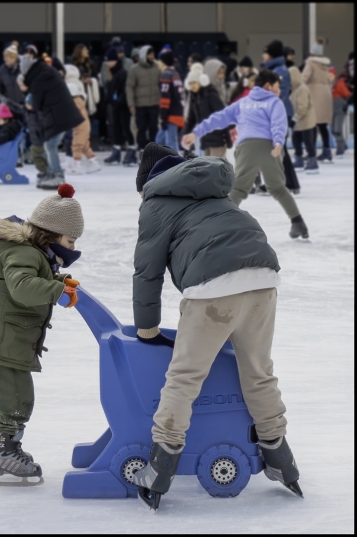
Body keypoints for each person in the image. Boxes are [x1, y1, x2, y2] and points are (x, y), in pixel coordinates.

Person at [130, 143, 302, 511]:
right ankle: (280, 458)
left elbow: (147, 271)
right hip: (263, 278)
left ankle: (160, 468)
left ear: (147, 181)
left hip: (213, 288)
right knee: (258, 372)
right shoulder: (214, 191)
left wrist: (147, 327)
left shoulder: (155, 203)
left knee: (184, 376)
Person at [0, 184, 84, 482]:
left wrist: (57, 278)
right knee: (17, 399)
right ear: (53, 234)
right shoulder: (26, 254)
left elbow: (24, 277)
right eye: (70, 241)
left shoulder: (24, 251)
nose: (71, 249)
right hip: (7, 340)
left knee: (0, 399)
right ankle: (7, 451)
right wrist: (57, 290)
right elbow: (22, 286)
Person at [182, 70, 309, 239]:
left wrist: (196, 133)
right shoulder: (274, 102)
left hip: (247, 147)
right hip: (269, 147)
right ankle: (298, 223)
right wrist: (278, 142)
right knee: (277, 188)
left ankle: (217, 225)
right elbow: (279, 123)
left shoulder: (243, 102)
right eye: (277, 87)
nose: (279, 91)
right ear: (268, 86)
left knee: (239, 189)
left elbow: (219, 118)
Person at [20, 45, 84, 189]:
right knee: (50, 144)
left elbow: (35, 105)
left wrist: (27, 100)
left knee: (50, 144)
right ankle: (52, 172)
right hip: (61, 113)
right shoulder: (43, 72)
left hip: (60, 115)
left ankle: (57, 175)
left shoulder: (38, 79)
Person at [261, 40, 300, 195]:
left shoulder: (280, 70)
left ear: (271, 54)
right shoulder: (272, 69)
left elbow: (280, 94)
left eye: (265, 52)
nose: (263, 55)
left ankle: (290, 183)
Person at [183, 63, 231, 158]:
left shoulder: (210, 95)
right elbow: (191, 121)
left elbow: (222, 115)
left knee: (216, 169)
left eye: (194, 82)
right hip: (206, 139)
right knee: (209, 169)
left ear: (201, 81)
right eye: (190, 83)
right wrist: (185, 136)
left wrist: (228, 136)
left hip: (218, 139)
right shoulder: (194, 98)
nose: (192, 86)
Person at [64, 64, 100, 175]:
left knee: (77, 144)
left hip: (80, 124)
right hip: (82, 123)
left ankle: (77, 165)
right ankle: (93, 161)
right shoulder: (79, 92)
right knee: (84, 145)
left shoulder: (75, 100)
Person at [126, 45, 161, 157]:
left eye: (153, 54)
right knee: (141, 129)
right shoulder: (134, 69)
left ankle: (153, 150)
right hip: (140, 105)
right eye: (149, 54)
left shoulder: (157, 67)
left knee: (153, 128)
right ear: (143, 55)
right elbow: (129, 87)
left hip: (154, 103)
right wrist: (131, 104)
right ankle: (142, 149)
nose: (152, 56)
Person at [103, 47, 136, 166]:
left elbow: (124, 90)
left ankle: (132, 150)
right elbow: (110, 90)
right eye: (107, 61)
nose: (108, 63)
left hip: (123, 106)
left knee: (126, 128)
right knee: (115, 128)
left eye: (110, 60)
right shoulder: (110, 72)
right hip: (114, 106)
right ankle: (116, 151)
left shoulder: (122, 73)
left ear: (115, 60)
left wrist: (119, 102)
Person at [303, 38, 333, 163]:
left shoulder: (310, 63)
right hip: (325, 93)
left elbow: (304, 77)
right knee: (323, 125)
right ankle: (327, 151)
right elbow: (328, 79)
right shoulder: (325, 65)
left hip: (314, 93)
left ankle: (312, 152)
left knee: (312, 124)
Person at [289, 65, 318, 174]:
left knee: (308, 141)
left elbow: (302, 107)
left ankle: (313, 162)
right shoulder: (295, 89)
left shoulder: (302, 89)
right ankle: (299, 160)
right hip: (299, 121)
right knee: (296, 140)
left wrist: (294, 119)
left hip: (306, 121)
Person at [156, 49, 184, 153]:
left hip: (171, 114)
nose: (158, 63)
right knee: (159, 140)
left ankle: (175, 166)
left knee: (170, 142)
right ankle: (160, 163)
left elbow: (165, 97)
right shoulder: (175, 73)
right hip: (177, 111)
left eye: (159, 60)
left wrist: (163, 116)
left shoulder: (166, 75)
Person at [0, 42, 25, 118]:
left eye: (7, 57)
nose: (4, 59)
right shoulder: (2, 69)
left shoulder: (23, 68)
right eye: (4, 56)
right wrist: (0, 101)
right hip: (9, 108)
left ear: (13, 57)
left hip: (23, 107)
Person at [330, 65, 351, 158]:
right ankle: (343, 144)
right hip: (331, 111)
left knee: (337, 129)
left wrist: (346, 105)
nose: (329, 77)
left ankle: (340, 147)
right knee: (332, 130)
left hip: (340, 111)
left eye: (331, 75)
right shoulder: (327, 85)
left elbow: (348, 95)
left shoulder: (339, 83)